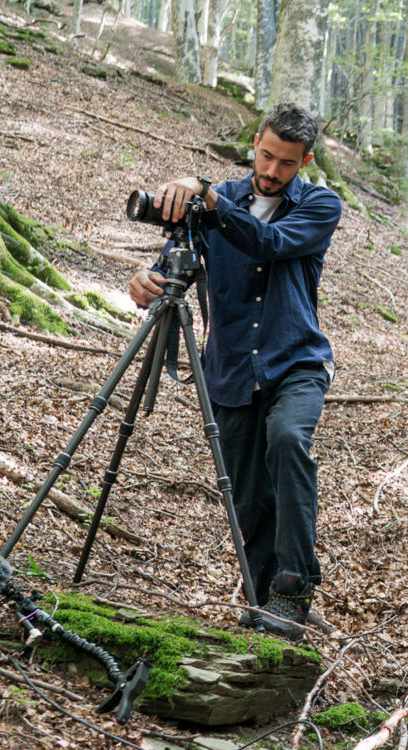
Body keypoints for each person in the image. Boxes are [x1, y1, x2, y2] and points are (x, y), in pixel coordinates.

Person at [128, 102, 342, 639]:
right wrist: (146, 282)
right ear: (255, 144)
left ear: (305, 162)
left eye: (286, 163)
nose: (271, 170)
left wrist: (208, 197)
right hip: (229, 370)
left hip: (296, 362)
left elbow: (269, 243)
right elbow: (170, 262)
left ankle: (293, 588)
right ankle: (266, 602)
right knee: (248, 497)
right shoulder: (216, 198)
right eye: (266, 156)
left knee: (288, 441)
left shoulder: (319, 205)